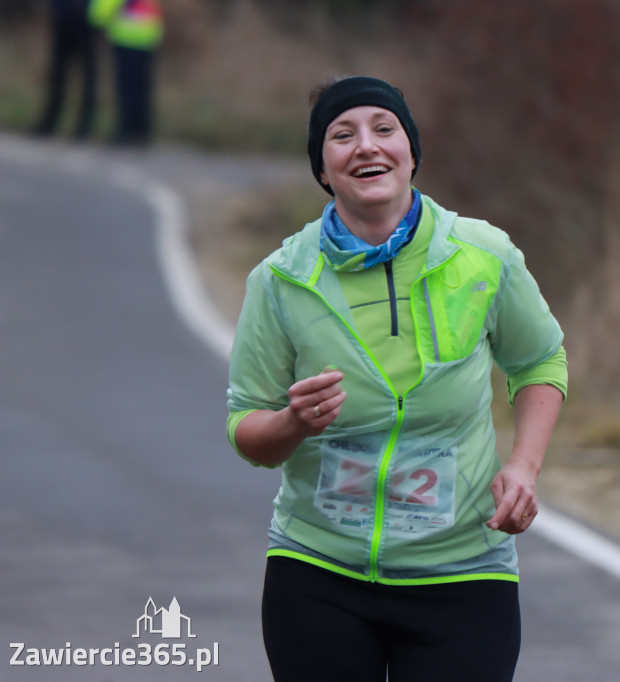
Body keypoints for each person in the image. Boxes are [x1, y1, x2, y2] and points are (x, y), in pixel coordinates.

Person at [226, 76, 568, 682]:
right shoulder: (280, 280)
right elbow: (246, 428)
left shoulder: (483, 255)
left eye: (385, 129)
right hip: (319, 571)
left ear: (411, 152)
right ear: (323, 170)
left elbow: (539, 361)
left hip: (464, 572)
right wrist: (291, 422)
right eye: (341, 135)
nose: (366, 146)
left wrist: (524, 465)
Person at [87, 0, 163, 145]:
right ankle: (142, 130)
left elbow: (106, 5)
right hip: (148, 35)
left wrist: (97, 20)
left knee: (127, 87)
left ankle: (127, 130)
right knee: (142, 87)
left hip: (126, 36)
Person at [34, 0, 97, 139]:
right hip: (63, 17)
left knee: (88, 76)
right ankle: (50, 121)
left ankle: (85, 124)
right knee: (58, 74)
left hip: (88, 19)